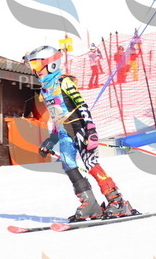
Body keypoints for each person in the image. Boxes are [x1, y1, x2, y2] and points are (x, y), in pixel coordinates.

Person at [26, 45, 136, 222]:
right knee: (68, 164)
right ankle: (90, 204)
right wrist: (51, 139)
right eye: (31, 66)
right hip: (64, 133)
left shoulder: (64, 82)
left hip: (79, 129)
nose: (34, 70)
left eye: (37, 65)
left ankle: (117, 202)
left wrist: (90, 129)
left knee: (90, 163)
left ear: (51, 64)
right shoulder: (46, 90)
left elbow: (81, 105)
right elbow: (56, 116)